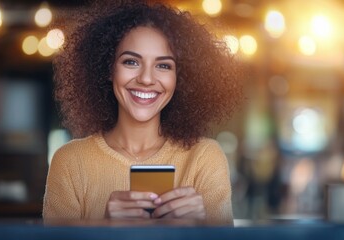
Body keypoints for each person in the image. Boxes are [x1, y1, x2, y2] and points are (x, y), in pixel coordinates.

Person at [43, 0, 243, 225]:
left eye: (164, 65)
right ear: (108, 69)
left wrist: (202, 229)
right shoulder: (70, 162)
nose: (147, 79)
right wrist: (103, 227)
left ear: (182, 78)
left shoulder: (204, 157)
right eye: (131, 62)